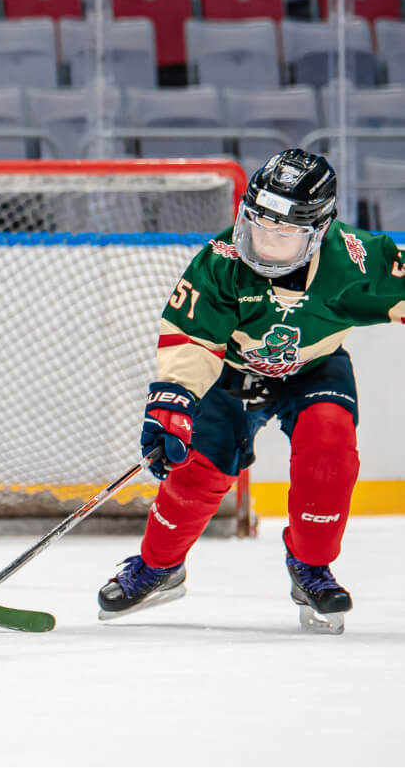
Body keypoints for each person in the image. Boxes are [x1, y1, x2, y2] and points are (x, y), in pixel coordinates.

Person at [97, 149, 403, 634]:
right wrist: (172, 402)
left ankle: (310, 567)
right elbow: (191, 337)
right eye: (259, 224)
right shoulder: (221, 262)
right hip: (231, 374)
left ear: (319, 231)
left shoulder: (357, 260)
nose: (264, 242)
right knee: (197, 471)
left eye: (284, 233)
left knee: (330, 450)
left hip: (314, 370)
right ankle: (159, 567)